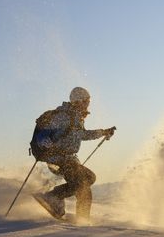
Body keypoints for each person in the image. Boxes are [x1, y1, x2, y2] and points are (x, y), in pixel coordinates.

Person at [33, 87, 116, 223]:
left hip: (69, 159)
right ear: (78, 101)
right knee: (85, 183)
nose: (88, 104)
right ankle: (57, 201)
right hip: (58, 158)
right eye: (86, 101)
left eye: (89, 101)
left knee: (87, 182)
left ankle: (58, 200)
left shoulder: (77, 117)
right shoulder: (63, 115)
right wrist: (45, 143)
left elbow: (83, 135)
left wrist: (103, 132)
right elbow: (43, 134)